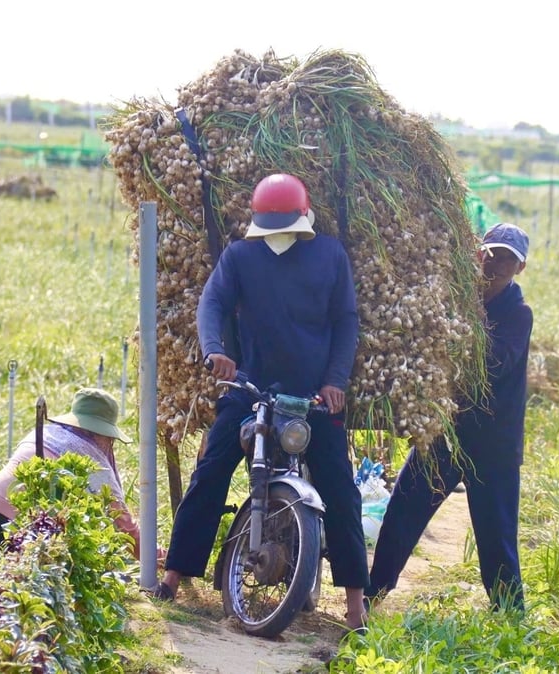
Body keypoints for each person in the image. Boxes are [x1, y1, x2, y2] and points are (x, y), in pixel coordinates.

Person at [151, 173, 370, 632]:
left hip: (312, 397)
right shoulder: (240, 257)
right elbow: (211, 303)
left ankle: (354, 601)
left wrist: (335, 382)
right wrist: (216, 351)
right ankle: (174, 572)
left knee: (341, 490)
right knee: (210, 472)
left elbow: (345, 321)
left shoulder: (329, 255)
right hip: (251, 389)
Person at [367, 222, 533, 611]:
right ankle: (371, 596)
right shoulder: (456, 299)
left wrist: (452, 333)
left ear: (519, 269)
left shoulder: (518, 315)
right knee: (402, 514)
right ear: (478, 254)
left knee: (497, 537)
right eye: (490, 255)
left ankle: (510, 615)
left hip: (493, 445)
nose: (495, 267)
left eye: (506, 261)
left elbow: (492, 364)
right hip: (444, 433)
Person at [0, 387, 150, 560]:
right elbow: (125, 528)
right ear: (105, 433)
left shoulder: (44, 434)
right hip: (27, 539)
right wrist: (161, 557)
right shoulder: (96, 465)